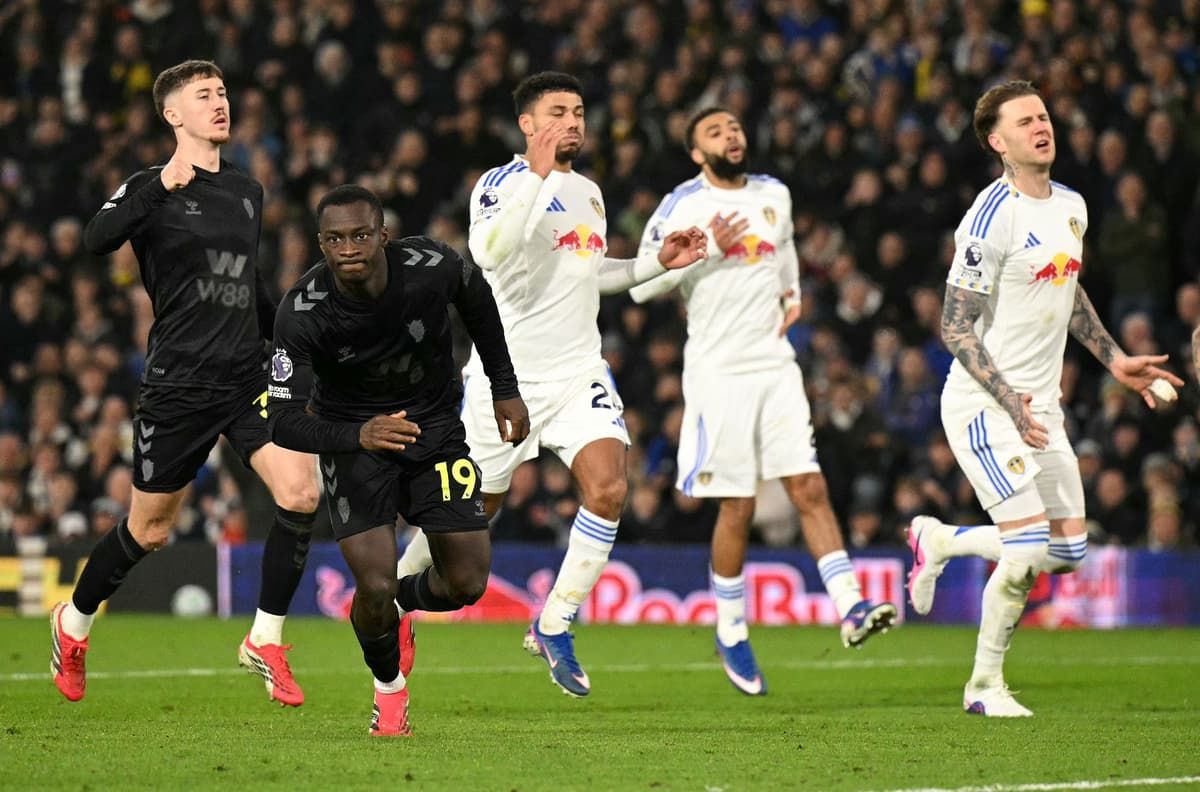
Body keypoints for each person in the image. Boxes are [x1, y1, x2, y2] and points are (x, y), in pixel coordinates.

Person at [393, 71, 707, 698]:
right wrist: (536, 177)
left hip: (577, 373)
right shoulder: (501, 183)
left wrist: (654, 263)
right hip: (504, 381)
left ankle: (554, 622)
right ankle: (397, 601)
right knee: (466, 520)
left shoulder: (588, 192)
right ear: (528, 125)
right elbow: (488, 252)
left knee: (610, 488)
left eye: (580, 111)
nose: (573, 122)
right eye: (558, 112)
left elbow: (588, 274)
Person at [905, 80, 1182, 717]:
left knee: (1067, 552)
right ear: (998, 142)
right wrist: (1007, 398)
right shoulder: (990, 217)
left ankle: (940, 541)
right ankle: (984, 687)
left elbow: (1066, 288)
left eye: (1044, 115)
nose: (1041, 126)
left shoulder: (1072, 206)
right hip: (984, 404)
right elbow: (954, 325)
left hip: (1042, 407)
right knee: (1028, 548)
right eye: (1025, 120)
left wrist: (1115, 359)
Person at [51, 60, 322, 707]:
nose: (219, 103)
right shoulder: (150, 185)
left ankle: (264, 639)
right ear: (173, 114)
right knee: (149, 530)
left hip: (246, 376)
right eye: (203, 95)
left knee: (302, 492)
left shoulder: (248, 191)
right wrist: (159, 187)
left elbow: (247, 283)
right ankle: (74, 622)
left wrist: (290, 339)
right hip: (180, 382)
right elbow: (96, 239)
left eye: (223, 92)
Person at [629, 108, 897, 696]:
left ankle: (851, 606)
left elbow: (787, 248)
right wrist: (706, 252)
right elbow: (643, 285)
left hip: (775, 363)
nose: (731, 135)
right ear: (696, 153)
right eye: (715, 131)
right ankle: (730, 629)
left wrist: (792, 291)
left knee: (809, 485)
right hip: (718, 371)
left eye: (734, 127)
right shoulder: (682, 205)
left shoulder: (775, 193)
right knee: (738, 505)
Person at [267, 184, 528, 735]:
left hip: (435, 431)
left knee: (467, 584)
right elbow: (282, 421)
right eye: (335, 239)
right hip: (355, 444)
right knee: (375, 585)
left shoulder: (431, 266)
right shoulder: (302, 311)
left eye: (360, 235)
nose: (349, 248)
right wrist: (357, 435)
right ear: (320, 243)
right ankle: (389, 690)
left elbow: (479, 301)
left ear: (383, 235)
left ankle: (398, 609)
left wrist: (504, 387)